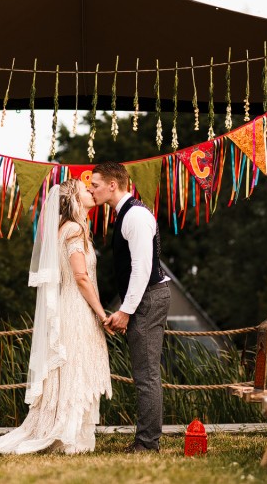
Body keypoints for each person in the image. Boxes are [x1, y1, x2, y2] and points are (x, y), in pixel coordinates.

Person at [0, 179, 112, 455]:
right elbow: (80, 277)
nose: (91, 191)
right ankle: (69, 435)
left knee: (69, 368)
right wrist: (102, 313)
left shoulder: (63, 229)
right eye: (84, 190)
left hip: (67, 305)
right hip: (77, 307)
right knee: (75, 367)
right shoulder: (75, 229)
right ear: (75, 201)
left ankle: (66, 430)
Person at [89, 162, 171, 453]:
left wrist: (125, 310)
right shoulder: (125, 213)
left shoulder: (134, 215)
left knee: (146, 374)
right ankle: (146, 440)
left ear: (113, 185)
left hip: (148, 297)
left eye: (95, 184)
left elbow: (142, 267)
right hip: (145, 298)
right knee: (143, 373)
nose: (90, 189)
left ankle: (148, 444)